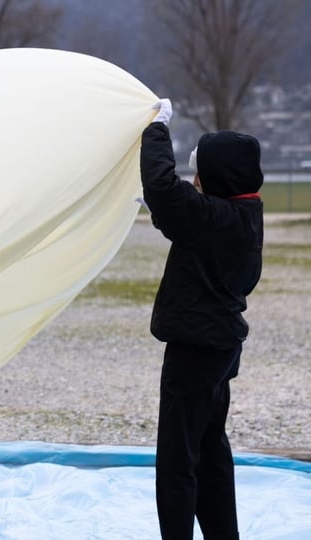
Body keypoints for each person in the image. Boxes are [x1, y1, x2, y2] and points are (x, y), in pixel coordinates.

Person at [141, 99, 264, 540]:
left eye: (200, 174)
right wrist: (167, 210)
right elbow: (183, 218)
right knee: (211, 451)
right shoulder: (245, 214)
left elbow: (161, 187)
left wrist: (157, 130)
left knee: (177, 462)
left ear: (217, 180)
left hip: (193, 353)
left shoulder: (210, 216)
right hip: (221, 350)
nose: (194, 179)